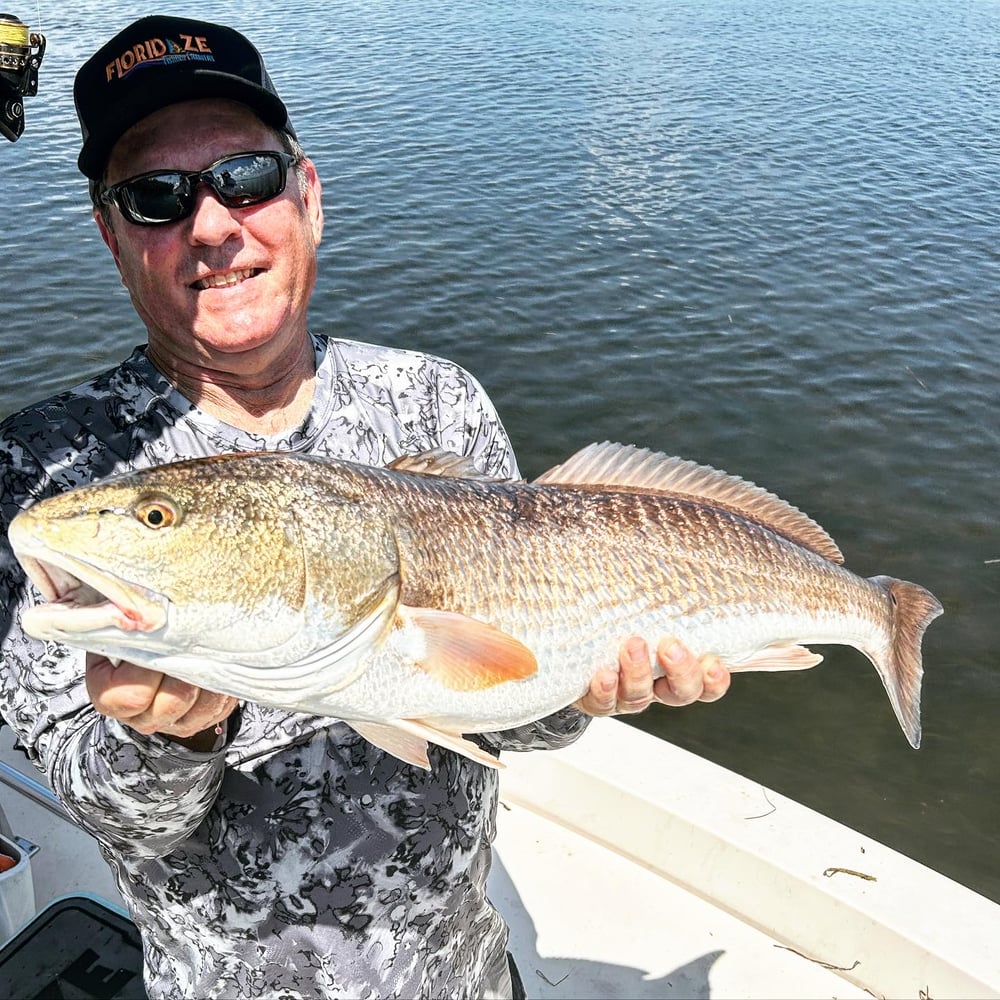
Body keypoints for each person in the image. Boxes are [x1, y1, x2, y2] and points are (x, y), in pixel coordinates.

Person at [0, 16, 730, 999]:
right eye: (157, 195)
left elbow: (505, 717)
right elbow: (111, 813)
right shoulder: (51, 472)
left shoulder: (437, 398)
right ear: (111, 232)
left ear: (308, 194)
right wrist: (162, 734)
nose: (214, 226)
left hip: (466, 974)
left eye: (247, 178)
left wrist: (588, 689)